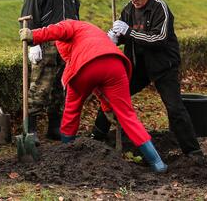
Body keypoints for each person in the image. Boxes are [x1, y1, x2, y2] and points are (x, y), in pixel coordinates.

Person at [19, 20, 167, 172]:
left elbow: (57, 30)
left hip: (85, 69)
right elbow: (98, 81)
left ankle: (64, 153)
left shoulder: (70, 24)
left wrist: (34, 35)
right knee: (128, 115)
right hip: (115, 64)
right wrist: (108, 106)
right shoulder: (92, 31)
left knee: (72, 111)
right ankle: (157, 162)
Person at [92, 0, 203, 158]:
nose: (134, 0)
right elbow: (124, 35)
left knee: (175, 108)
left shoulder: (160, 8)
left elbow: (158, 39)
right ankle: (95, 138)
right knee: (111, 96)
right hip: (137, 67)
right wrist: (114, 37)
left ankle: (193, 152)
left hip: (163, 67)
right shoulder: (128, 10)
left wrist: (129, 32)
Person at [20, 0, 82, 141]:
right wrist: (33, 44)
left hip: (66, 47)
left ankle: (55, 128)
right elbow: (28, 16)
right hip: (44, 45)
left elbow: (76, 18)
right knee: (40, 87)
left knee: (60, 88)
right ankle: (30, 130)